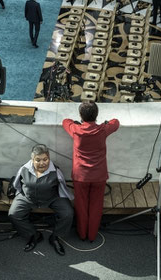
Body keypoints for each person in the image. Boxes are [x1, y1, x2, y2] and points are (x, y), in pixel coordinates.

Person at [62, 102, 119, 242]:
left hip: (80, 176)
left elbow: (65, 121)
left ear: (81, 116)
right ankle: (92, 235)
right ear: (97, 115)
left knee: (81, 206)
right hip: (99, 175)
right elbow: (116, 122)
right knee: (96, 206)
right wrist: (106, 123)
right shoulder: (103, 130)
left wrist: (76, 122)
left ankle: (82, 234)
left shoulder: (76, 129)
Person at [8, 144, 73, 256]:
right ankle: (33, 235)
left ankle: (55, 238)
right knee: (13, 214)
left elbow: (62, 186)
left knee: (68, 213)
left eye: (45, 159)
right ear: (32, 160)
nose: (42, 163)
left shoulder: (55, 171)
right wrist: (19, 195)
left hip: (52, 198)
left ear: (49, 158)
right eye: (38, 160)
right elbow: (17, 184)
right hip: (28, 197)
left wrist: (67, 199)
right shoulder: (24, 169)